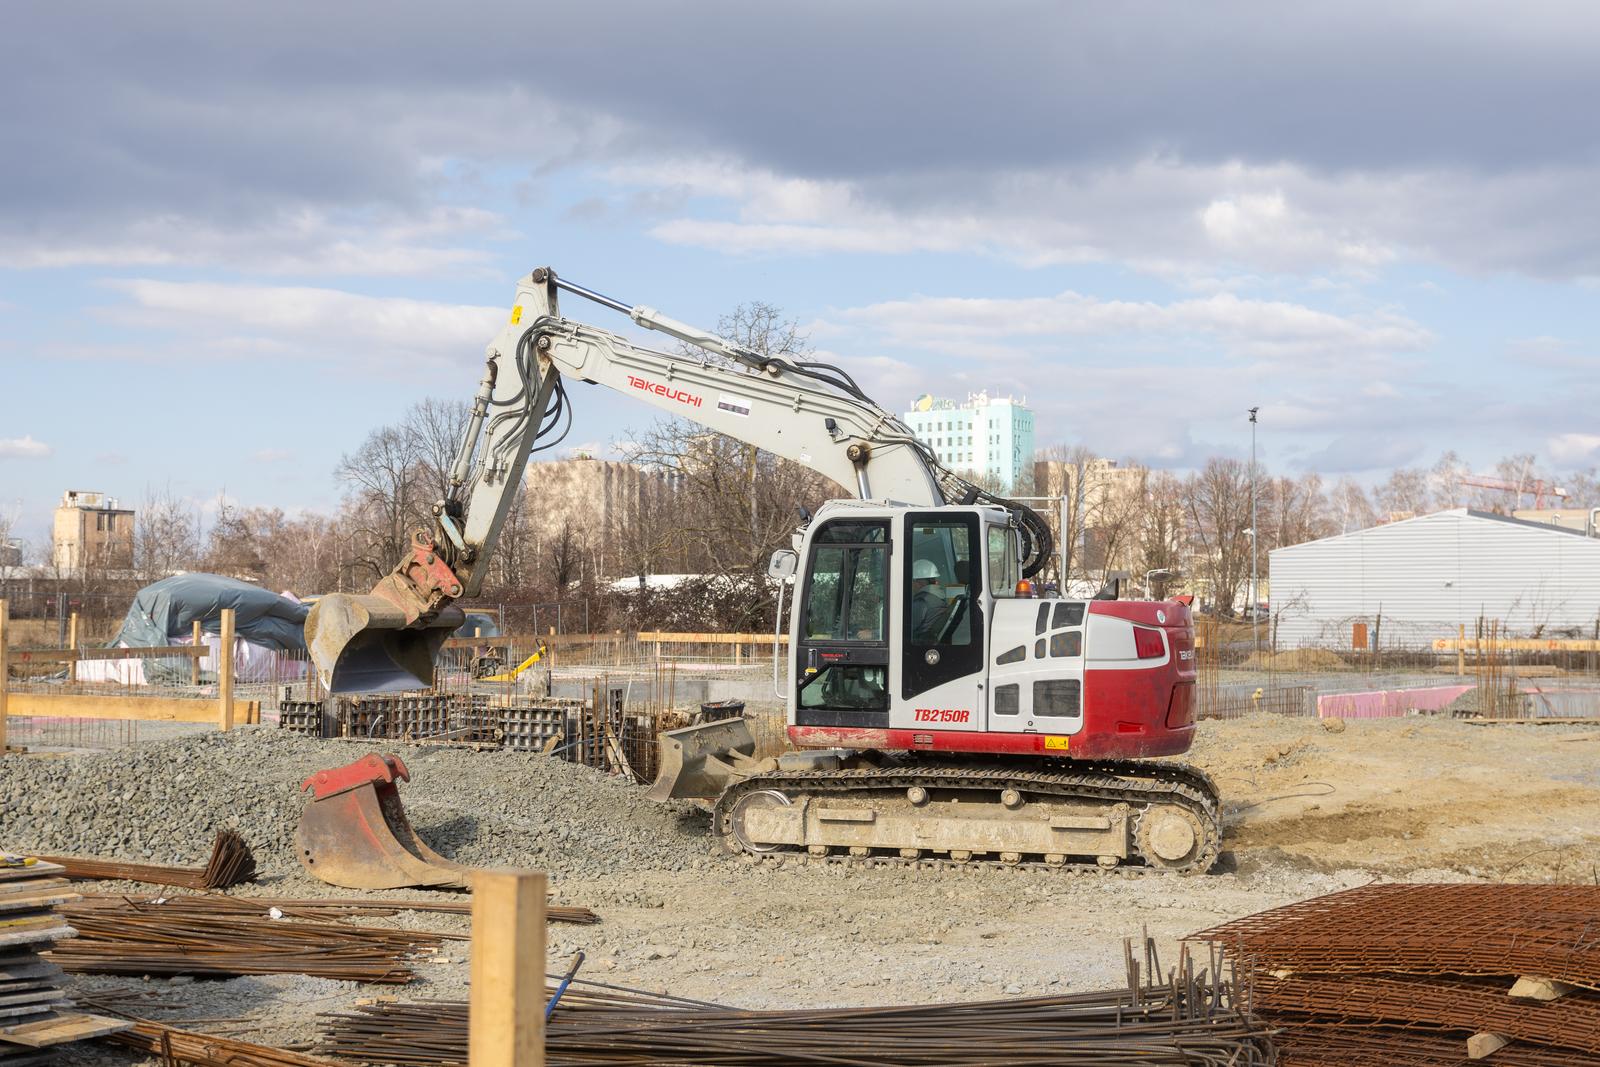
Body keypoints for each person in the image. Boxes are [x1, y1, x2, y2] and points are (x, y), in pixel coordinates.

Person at [909, 558, 951, 641]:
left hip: (918, 642)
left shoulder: (922, 601)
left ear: (918, 582)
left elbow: (906, 627)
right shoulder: (939, 597)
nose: (912, 584)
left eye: (912, 581)